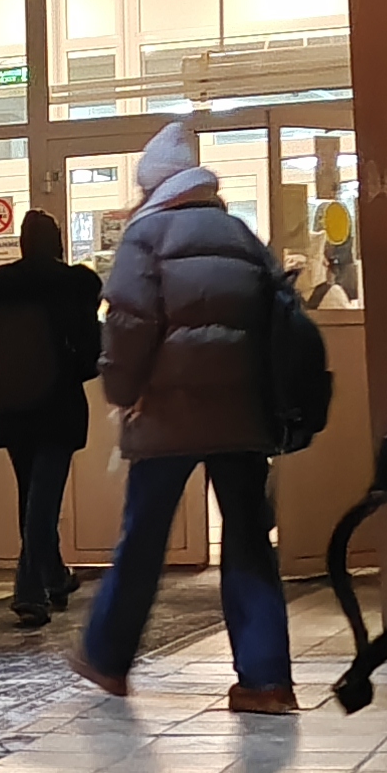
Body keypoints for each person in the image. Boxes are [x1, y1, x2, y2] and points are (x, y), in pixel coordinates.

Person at [69, 118, 298, 709]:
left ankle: (107, 658)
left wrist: (122, 393)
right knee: (248, 543)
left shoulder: (146, 239)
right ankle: (266, 679)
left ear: (155, 186)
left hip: (166, 415)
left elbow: (127, 325)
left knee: (143, 542)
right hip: (243, 420)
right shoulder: (243, 237)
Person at [0, 210, 106, 624]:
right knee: (43, 500)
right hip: (57, 405)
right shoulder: (75, 285)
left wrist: (4, 380)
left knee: (31, 494)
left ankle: (55, 575)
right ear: (58, 241)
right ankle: (30, 591)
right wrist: (65, 369)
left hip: (11, 406)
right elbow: (89, 354)